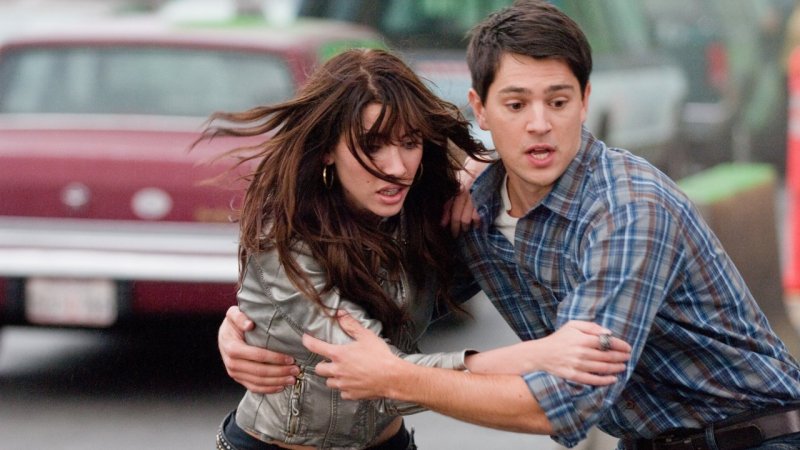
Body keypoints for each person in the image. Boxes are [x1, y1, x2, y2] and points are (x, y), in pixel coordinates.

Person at [220, 2, 800, 448]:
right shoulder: (473, 208)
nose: (539, 124)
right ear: (481, 108)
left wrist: (393, 376)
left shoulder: (628, 211)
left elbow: (566, 404)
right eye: (517, 104)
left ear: (586, 100)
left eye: (558, 101)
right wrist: (251, 331)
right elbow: (364, 314)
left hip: (754, 435)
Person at [205, 47, 632, 450]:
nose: (396, 168)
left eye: (409, 142)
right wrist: (538, 355)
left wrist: (484, 175)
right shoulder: (283, 240)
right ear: (327, 150)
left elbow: (539, 155)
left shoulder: (424, 213)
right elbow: (382, 374)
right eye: (372, 145)